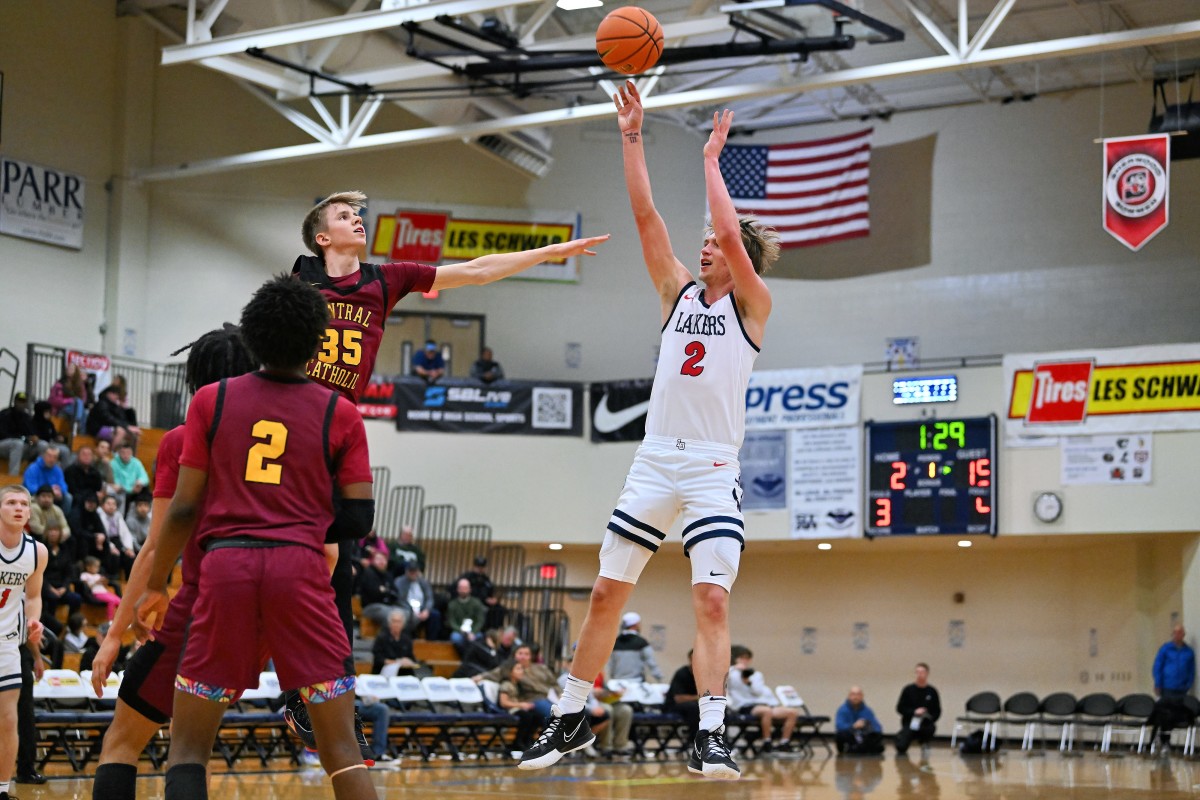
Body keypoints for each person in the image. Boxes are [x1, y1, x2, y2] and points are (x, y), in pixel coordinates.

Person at [517, 83, 778, 782]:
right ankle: (569, 713)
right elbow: (643, 214)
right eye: (701, 246)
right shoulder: (676, 293)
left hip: (713, 469)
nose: (704, 251)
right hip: (656, 462)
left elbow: (727, 230)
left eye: (715, 248)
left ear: (738, 257)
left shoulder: (753, 305)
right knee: (606, 593)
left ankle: (713, 733)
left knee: (712, 598)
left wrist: (712, 163)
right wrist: (632, 134)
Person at [290, 190, 606, 743]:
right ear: (322, 238)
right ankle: (306, 694)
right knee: (314, 571)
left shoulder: (386, 279)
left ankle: (319, 701)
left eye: (356, 213)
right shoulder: (298, 287)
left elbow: (479, 270)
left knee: (334, 574)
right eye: (344, 216)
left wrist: (552, 251)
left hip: (337, 435)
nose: (356, 219)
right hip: (293, 430)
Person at [134, 276, 377, 800]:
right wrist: (302, 525)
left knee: (188, 749)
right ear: (317, 345)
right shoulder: (342, 413)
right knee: (341, 753)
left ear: (252, 336)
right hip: (302, 572)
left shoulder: (211, 401)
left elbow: (183, 509)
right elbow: (359, 517)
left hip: (225, 570)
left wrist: (156, 583)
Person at [86, 324, 260, 800]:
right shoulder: (281, 438)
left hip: (203, 605)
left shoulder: (183, 438)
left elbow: (155, 545)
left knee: (121, 742)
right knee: (194, 749)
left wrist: (113, 636)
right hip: (259, 618)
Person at [0, 485, 48, 800]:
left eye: (24, 504)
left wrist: (34, 621)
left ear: (29, 512)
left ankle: (3, 789)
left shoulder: (36, 552)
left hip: (6, 641)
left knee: (8, 718)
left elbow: (33, 596)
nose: (18, 508)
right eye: (11, 502)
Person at [726, 646, 799, 752]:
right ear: (736, 659)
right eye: (741, 658)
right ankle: (767, 742)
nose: (744, 661)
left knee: (792, 712)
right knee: (766, 711)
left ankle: (784, 742)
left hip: (762, 704)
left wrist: (748, 682)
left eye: (747, 658)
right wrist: (734, 670)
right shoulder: (730, 673)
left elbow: (758, 692)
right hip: (744, 706)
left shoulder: (756, 675)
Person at [894, 662, 941, 755]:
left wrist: (931, 718)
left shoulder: (932, 691)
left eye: (922, 672)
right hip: (911, 722)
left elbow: (937, 710)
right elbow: (900, 708)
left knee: (930, 728)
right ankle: (901, 737)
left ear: (927, 673)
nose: (920, 674)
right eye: (917, 672)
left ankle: (924, 742)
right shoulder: (908, 689)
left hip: (925, 723)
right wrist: (914, 712)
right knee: (901, 747)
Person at [608, 612, 664, 683]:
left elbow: (611, 664)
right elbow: (651, 662)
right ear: (635, 625)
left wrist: (612, 678)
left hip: (617, 684)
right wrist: (659, 678)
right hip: (636, 683)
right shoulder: (641, 642)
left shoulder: (615, 642)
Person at [393, 563, 442, 640]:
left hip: (421, 608)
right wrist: (412, 610)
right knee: (405, 615)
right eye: (411, 571)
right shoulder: (399, 582)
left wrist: (426, 610)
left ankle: (431, 641)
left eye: (415, 571)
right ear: (406, 571)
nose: (413, 574)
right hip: (406, 608)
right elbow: (399, 599)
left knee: (435, 615)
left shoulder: (424, 582)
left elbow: (429, 598)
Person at [86, 385, 140, 450]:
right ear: (108, 394)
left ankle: (131, 455)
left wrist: (122, 408)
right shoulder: (102, 404)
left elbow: (120, 419)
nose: (117, 397)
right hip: (97, 428)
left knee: (133, 434)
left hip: (109, 427)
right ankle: (113, 453)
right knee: (120, 431)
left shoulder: (114, 406)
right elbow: (108, 419)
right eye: (115, 394)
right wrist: (127, 427)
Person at [459, 555, 504, 629]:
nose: (480, 569)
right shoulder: (468, 577)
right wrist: (484, 599)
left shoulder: (486, 579)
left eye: (482, 567)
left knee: (499, 609)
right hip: (472, 602)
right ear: (474, 567)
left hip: (486, 602)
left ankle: (495, 631)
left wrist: (494, 598)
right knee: (482, 610)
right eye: (478, 567)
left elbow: (491, 590)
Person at [664, 650, 701, 740]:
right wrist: (700, 697)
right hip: (673, 706)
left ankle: (722, 742)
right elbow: (678, 698)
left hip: (695, 705)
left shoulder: (705, 675)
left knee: (719, 708)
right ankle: (695, 741)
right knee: (694, 708)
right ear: (690, 660)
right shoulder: (682, 673)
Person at [835, 686, 884, 755]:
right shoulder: (842, 710)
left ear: (862, 696)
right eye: (853, 694)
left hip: (863, 734)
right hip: (850, 733)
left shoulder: (867, 710)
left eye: (858, 694)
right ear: (849, 696)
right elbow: (839, 725)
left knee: (876, 737)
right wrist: (853, 726)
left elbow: (876, 725)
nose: (856, 697)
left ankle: (861, 747)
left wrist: (873, 729)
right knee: (841, 734)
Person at [98, 495, 138, 579]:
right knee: (114, 555)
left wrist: (128, 548)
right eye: (108, 504)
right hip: (106, 542)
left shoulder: (118, 515)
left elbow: (125, 533)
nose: (111, 506)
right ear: (102, 505)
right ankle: (113, 578)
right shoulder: (99, 515)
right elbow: (102, 534)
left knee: (130, 556)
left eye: (113, 504)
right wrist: (111, 547)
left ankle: (129, 580)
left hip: (118, 541)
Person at [357, 550, 400, 629]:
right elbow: (374, 593)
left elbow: (396, 593)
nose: (382, 562)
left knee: (402, 613)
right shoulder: (368, 573)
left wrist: (385, 591)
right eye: (378, 559)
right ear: (373, 561)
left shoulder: (388, 575)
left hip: (388, 606)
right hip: (371, 607)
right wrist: (388, 592)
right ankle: (386, 639)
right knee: (391, 616)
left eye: (384, 559)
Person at [371, 609, 420, 677]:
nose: (396, 624)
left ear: (403, 624)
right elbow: (378, 658)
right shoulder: (382, 638)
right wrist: (396, 662)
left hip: (403, 673)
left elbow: (412, 658)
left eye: (399, 622)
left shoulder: (406, 639)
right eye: (394, 621)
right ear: (389, 623)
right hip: (384, 672)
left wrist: (408, 661)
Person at [22, 448, 69, 513]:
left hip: (53, 496)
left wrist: (60, 491)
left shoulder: (58, 470)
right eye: (49, 456)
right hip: (35, 495)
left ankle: (62, 519)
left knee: (68, 497)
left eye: (55, 457)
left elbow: (63, 485)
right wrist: (50, 492)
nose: (52, 459)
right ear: (43, 456)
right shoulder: (33, 468)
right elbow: (31, 488)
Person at [1154, 624, 1195, 699]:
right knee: (1167, 710)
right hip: (1167, 687)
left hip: (1182, 689)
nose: (1177, 635)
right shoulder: (1165, 649)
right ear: (1172, 634)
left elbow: (1191, 670)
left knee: (1180, 710)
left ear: (1183, 634)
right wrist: (1158, 684)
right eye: (1175, 632)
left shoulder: (1189, 651)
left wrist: (1188, 685)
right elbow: (1157, 667)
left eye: (1179, 632)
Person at [447, 578, 487, 655]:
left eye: (465, 588)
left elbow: (480, 620)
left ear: (470, 589)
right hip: (459, 631)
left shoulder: (476, 603)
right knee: (455, 638)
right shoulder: (452, 604)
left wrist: (473, 632)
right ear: (457, 589)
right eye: (461, 588)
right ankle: (465, 656)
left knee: (479, 638)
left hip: (473, 631)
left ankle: (471, 658)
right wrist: (460, 630)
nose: (463, 590)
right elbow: (451, 621)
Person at [0, 393, 36, 476]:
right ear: (15, 401)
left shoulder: (26, 417)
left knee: (42, 445)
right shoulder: (5, 414)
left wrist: (33, 438)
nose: (21, 404)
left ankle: (36, 478)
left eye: (23, 402)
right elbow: (3, 434)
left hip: (22, 445)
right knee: (17, 444)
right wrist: (22, 438)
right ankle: (13, 477)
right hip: (4, 444)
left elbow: (31, 433)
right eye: (19, 401)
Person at [49, 362, 89, 434]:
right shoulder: (59, 384)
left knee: (84, 410)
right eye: (68, 368)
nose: (69, 370)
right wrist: (69, 401)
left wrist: (75, 401)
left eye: (71, 368)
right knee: (78, 404)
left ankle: (77, 426)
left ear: (75, 371)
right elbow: (53, 400)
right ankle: (77, 426)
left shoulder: (80, 384)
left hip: (75, 408)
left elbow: (84, 399)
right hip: (62, 409)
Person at [109, 443, 150, 509]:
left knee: (145, 489)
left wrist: (139, 482)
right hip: (121, 491)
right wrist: (130, 489)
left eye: (128, 453)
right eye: (123, 453)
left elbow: (145, 477)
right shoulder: (113, 463)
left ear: (132, 453)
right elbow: (114, 481)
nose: (126, 455)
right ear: (119, 453)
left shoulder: (136, 462)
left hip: (135, 490)